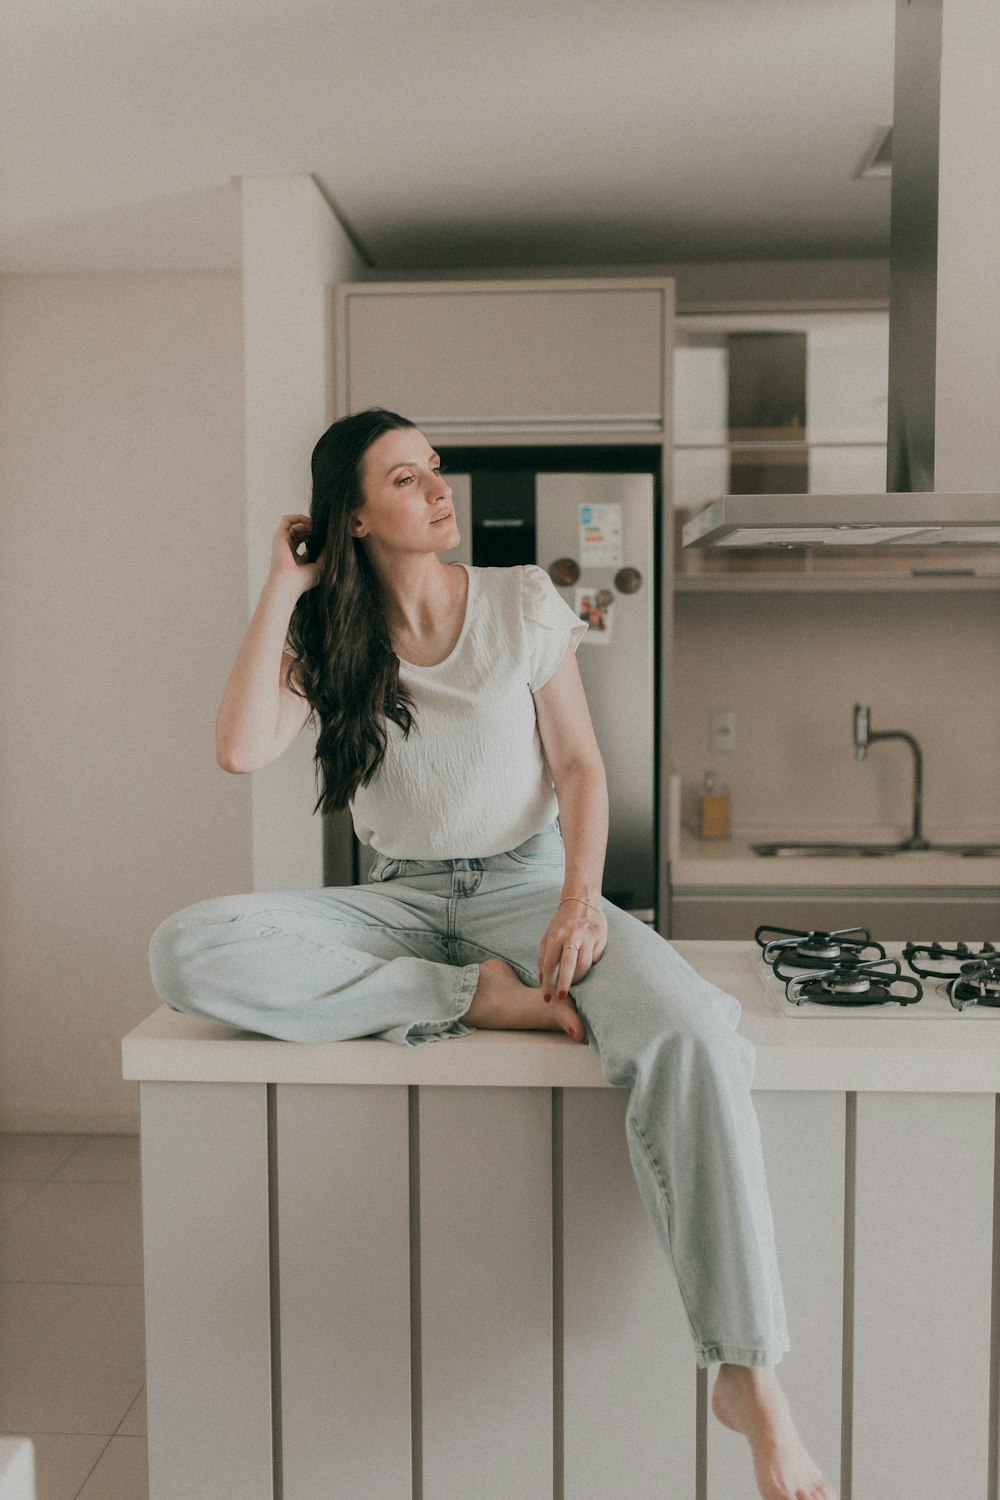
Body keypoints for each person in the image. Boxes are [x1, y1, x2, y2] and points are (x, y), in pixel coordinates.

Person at [148, 407, 836, 1500]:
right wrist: (284, 582)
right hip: (402, 907)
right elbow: (239, 749)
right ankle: (471, 999)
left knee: (695, 1028)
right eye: (405, 477)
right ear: (355, 516)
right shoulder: (331, 635)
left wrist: (578, 904)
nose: (436, 489)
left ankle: (745, 1368)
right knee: (186, 951)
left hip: (529, 888)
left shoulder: (520, 599)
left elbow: (580, 770)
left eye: (435, 471)